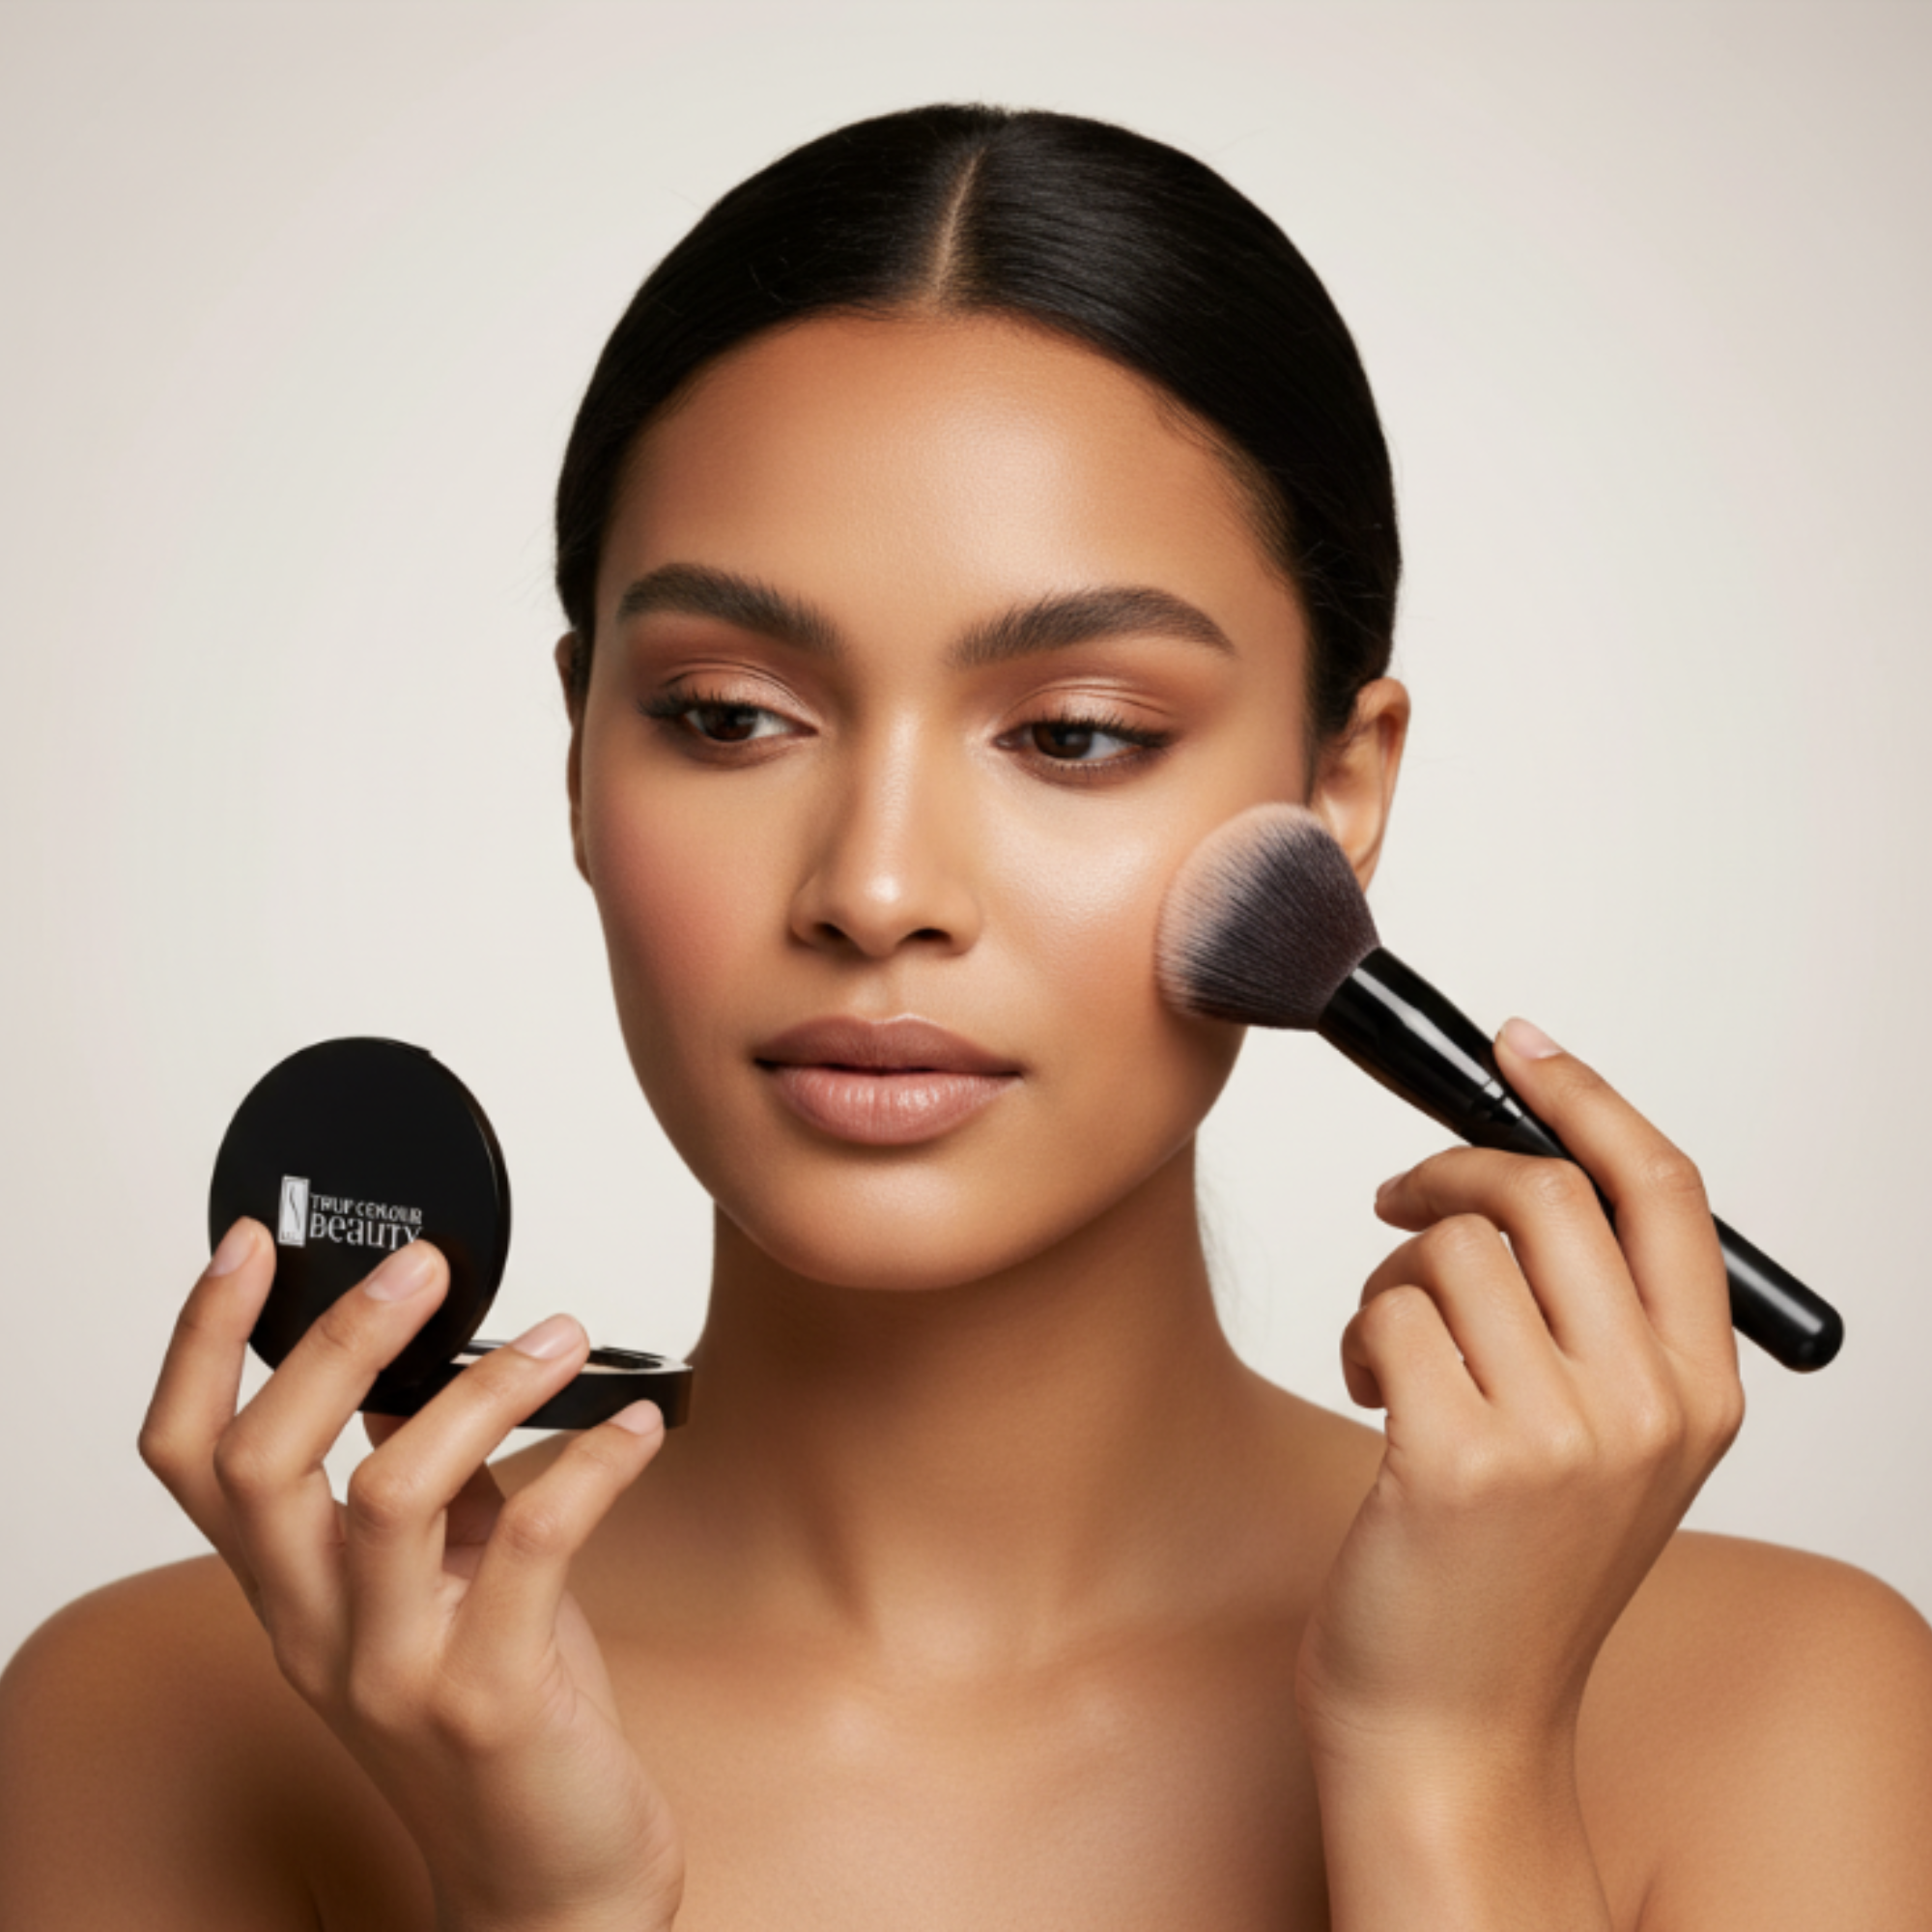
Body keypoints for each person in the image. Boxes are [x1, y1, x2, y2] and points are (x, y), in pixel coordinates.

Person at [2, 102, 1928, 1931]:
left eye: (1074, 734)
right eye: (730, 716)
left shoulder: (1775, 1704)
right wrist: (539, 1904)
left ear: (1337, 797)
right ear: (581, 754)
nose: (876, 885)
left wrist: (1456, 1776)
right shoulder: (163, 1718)